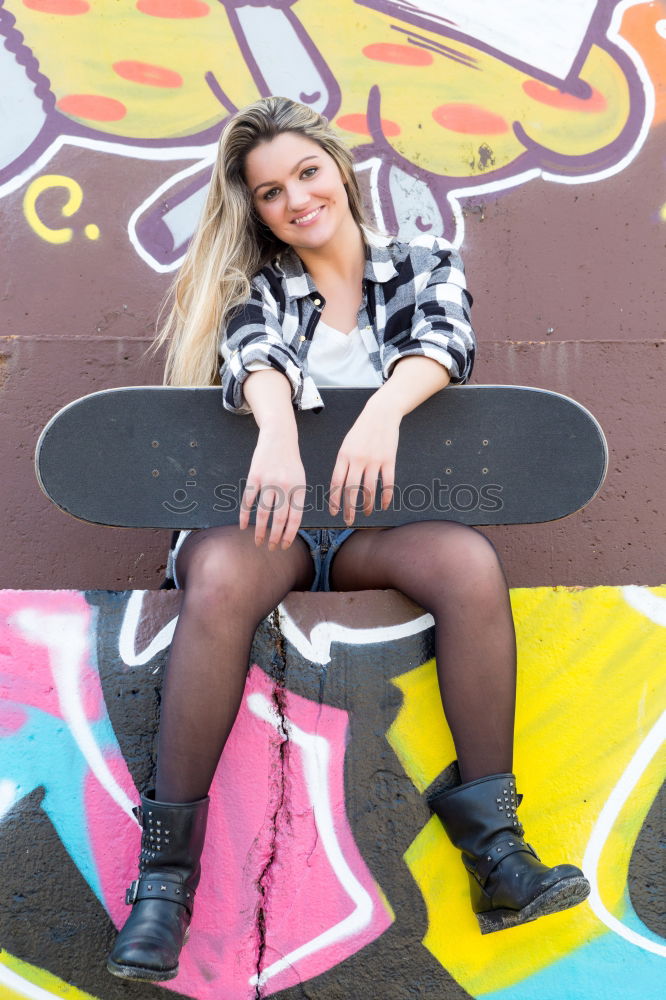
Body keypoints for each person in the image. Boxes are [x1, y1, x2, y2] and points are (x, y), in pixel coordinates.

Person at [107, 97, 590, 982]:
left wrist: (384, 410)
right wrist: (281, 435)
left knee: (467, 562)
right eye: (267, 192)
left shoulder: (423, 263)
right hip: (274, 529)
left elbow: (444, 338)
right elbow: (255, 357)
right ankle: (164, 884)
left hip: (374, 531)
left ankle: (496, 850)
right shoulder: (258, 291)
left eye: (306, 173)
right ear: (254, 211)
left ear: (339, 172)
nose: (294, 199)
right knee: (216, 575)